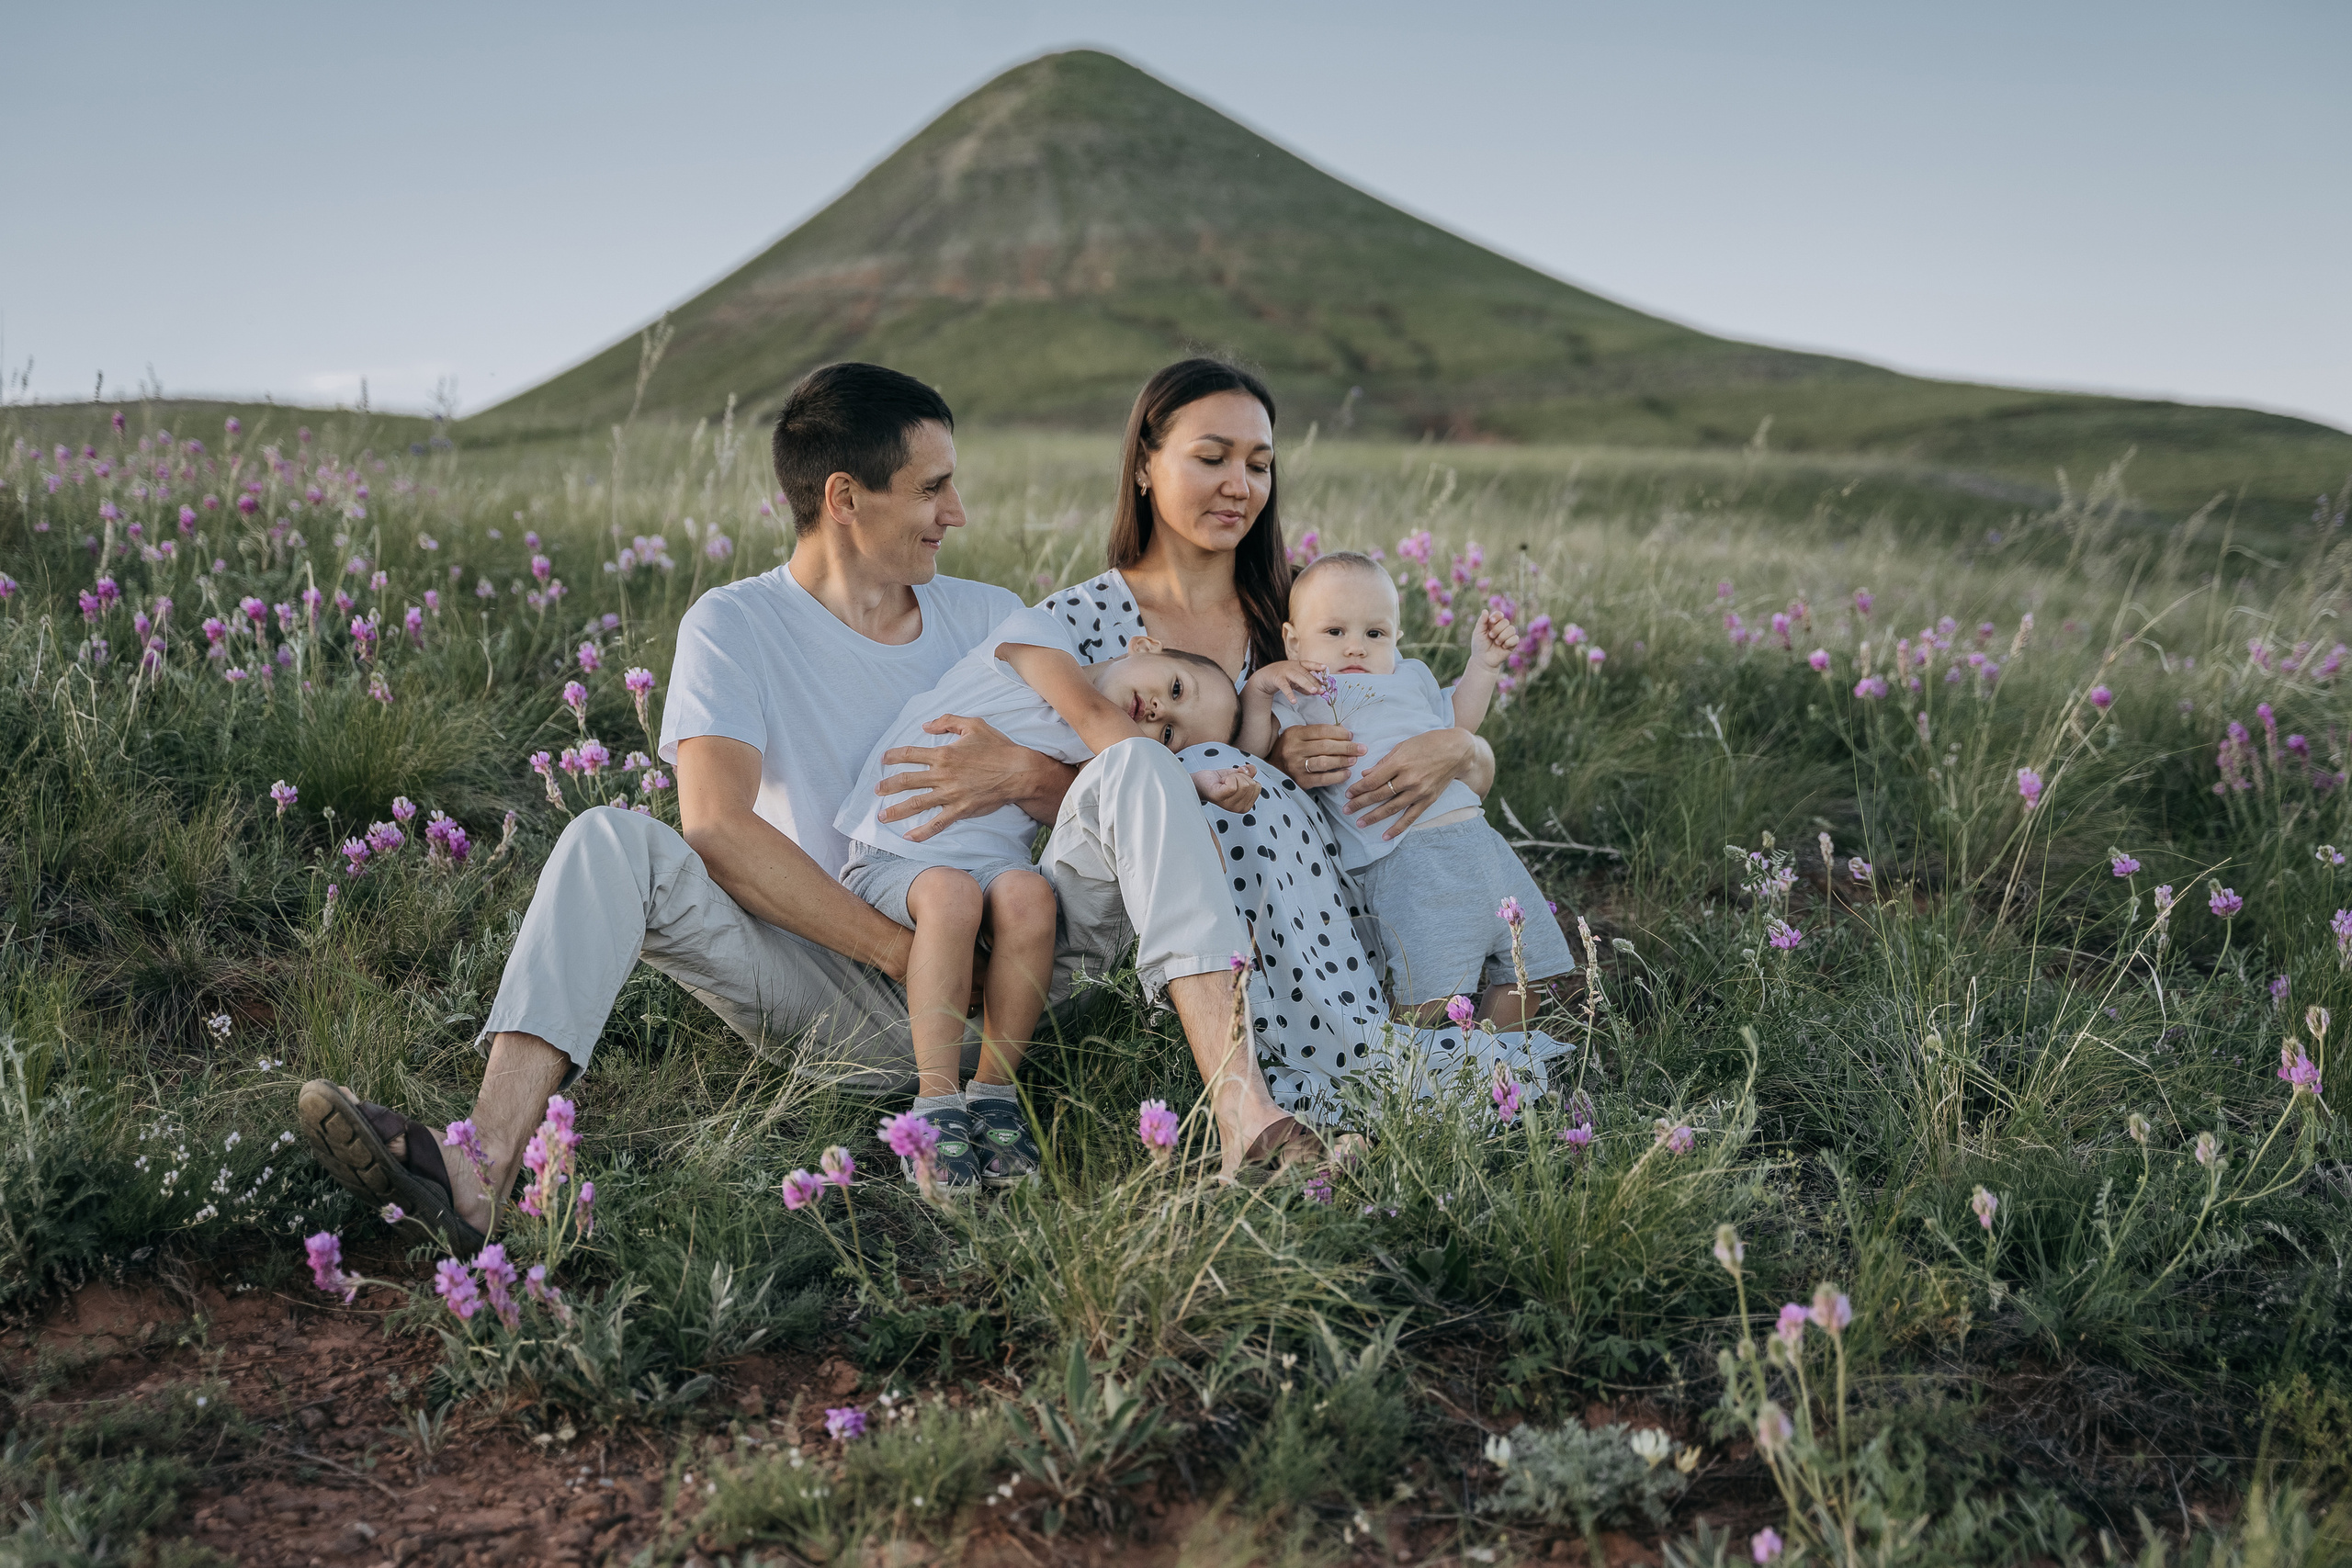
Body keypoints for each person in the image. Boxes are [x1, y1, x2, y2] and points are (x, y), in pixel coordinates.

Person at [298, 362, 1316, 1254]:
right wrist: (906, 954)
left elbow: (1102, 786)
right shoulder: (734, 625)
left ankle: (1243, 1116)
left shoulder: (988, 615)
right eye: (934, 488)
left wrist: (1015, 780)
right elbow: (717, 830)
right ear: (844, 497)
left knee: (1136, 772)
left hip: (1019, 967)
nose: (955, 515)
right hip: (829, 981)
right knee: (608, 835)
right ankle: (479, 1166)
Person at [1032, 359, 1507, 1122]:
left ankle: (1361, 1052)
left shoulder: (1298, 609)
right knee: (1213, 762)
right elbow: (1069, 798)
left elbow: (1413, 736)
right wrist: (1259, 768)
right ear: (1146, 465)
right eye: (1212, 457)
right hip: (1151, 935)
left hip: (1337, 900)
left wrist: (1468, 753)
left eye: (1259, 465)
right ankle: (1301, 1079)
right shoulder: (1079, 621)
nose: (1240, 484)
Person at [834, 607, 1261, 1190]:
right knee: (951, 896)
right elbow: (1099, 725)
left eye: (1170, 735)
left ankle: (993, 1092)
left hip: (989, 869)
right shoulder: (1037, 640)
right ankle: (935, 1100)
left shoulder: (1084, 762)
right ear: (1143, 645)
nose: (1161, 712)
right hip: (893, 854)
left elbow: (1099, 806)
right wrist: (1186, 786)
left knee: (1032, 897)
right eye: (1176, 688)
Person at [1240, 550, 1577, 1038]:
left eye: (1374, 634)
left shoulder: (1411, 676)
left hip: (1477, 840)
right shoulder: (1303, 695)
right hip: (1404, 858)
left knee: (1530, 973)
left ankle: (1482, 1064)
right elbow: (1251, 755)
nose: (1355, 648)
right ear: (1293, 641)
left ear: (1395, 640)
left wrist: (1482, 664)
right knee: (1429, 997)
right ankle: (1405, 1071)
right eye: (1334, 632)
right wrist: (1258, 691)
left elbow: (1457, 726)